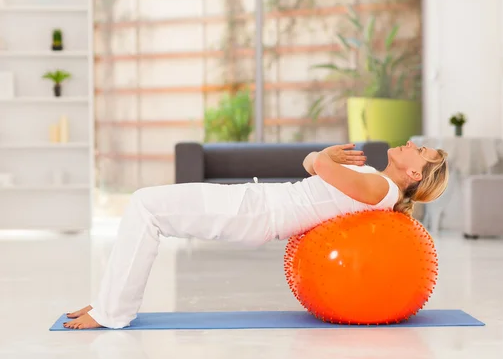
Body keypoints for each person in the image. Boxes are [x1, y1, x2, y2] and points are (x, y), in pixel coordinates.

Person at [64, 141, 449, 329]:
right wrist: (321, 158)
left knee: (145, 206)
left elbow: (319, 168)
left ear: (415, 174)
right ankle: (107, 304)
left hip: (256, 212)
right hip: (256, 204)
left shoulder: (382, 192)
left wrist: (323, 157)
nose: (414, 144)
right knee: (146, 208)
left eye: (422, 151)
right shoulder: (376, 183)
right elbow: (312, 167)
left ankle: (111, 313)